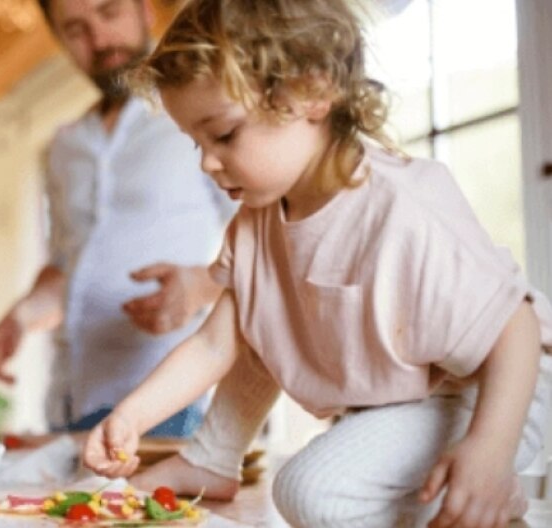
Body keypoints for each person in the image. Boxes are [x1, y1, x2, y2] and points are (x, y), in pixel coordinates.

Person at [82, 0, 552, 526]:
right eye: (197, 143)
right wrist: (132, 416)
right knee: (265, 316)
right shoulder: (256, 217)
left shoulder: (403, 209)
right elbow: (217, 343)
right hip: (411, 390)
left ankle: (489, 499)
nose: (208, 163)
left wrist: (487, 452)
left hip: (503, 386)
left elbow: (515, 327)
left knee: (309, 491)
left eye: (225, 135)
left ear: (312, 91)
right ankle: (210, 458)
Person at [0, 0, 236, 437]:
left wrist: (199, 286)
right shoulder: (64, 147)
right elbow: (67, 269)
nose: (99, 40)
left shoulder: (200, 112)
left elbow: (273, 245)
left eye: (108, 12)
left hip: (165, 404)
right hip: (67, 402)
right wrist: (22, 316)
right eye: (77, 29)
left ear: (143, 9)